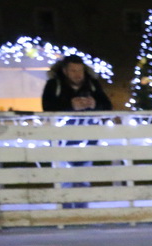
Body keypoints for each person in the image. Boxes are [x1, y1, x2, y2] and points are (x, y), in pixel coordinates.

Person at [42, 55, 113, 208]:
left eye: (80, 70)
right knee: (64, 178)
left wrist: (94, 104)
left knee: (83, 177)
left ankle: (82, 210)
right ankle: (67, 211)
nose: (78, 74)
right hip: (61, 140)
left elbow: (107, 105)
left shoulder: (92, 84)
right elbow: (47, 107)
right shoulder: (54, 84)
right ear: (65, 71)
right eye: (73, 71)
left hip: (87, 139)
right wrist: (70, 106)